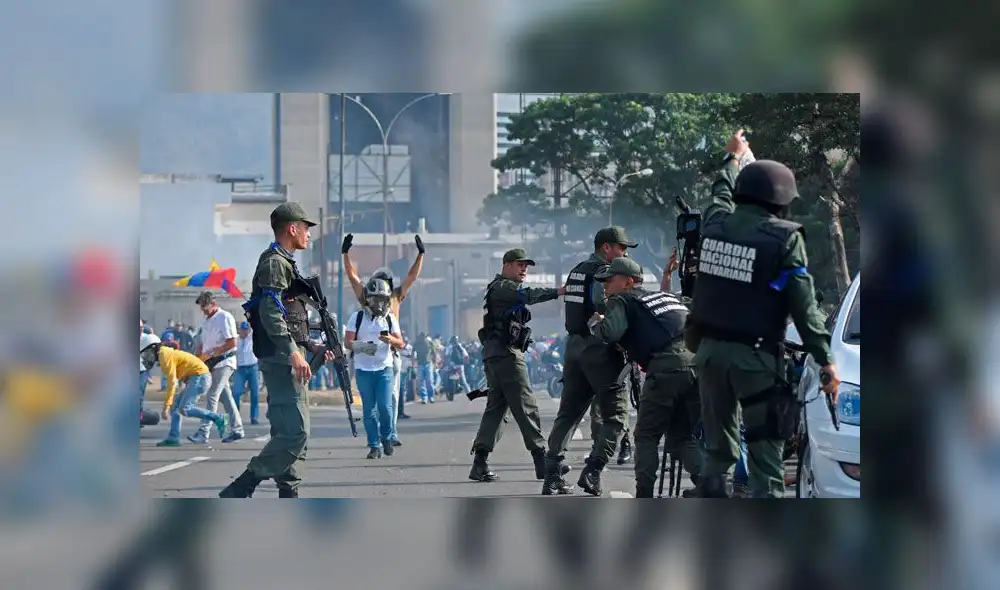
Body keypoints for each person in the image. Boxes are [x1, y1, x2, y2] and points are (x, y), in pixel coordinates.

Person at [687, 130, 839, 498]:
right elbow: (804, 308)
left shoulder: (714, 224)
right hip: (754, 361)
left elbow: (719, 193)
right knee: (765, 460)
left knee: (718, 450)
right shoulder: (785, 238)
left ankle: (709, 493)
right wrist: (826, 362)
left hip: (708, 356)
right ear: (782, 200)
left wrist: (733, 158)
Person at [219, 201, 334, 498]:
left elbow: (291, 315)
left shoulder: (286, 261)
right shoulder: (274, 262)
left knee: (291, 432)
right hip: (280, 356)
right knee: (296, 432)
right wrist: (293, 351)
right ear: (292, 228)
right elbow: (270, 309)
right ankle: (245, 483)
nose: (309, 234)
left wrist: (311, 347)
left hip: (288, 355)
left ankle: (288, 490)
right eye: (306, 227)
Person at [586, 257, 703, 497]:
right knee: (682, 436)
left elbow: (611, 332)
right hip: (698, 366)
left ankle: (644, 495)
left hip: (665, 368)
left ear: (628, 282)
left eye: (610, 280)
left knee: (646, 436)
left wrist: (596, 323)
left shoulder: (622, 300)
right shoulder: (666, 297)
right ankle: (710, 485)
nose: (606, 286)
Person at [541, 227, 634, 496]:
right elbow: (603, 309)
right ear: (606, 247)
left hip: (574, 347)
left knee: (568, 413)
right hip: (598, 346)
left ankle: (552, 474)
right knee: (616, 416)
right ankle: (593, 471)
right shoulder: (602, 273)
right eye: (621, 248)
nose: (624, 253)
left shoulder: (576, 271)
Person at [468, 248, 566, 482]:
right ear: (507, 265)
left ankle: (479, 463)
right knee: (526, 403)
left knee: (498, 409)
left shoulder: (500, 288)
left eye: (526, 266)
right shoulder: (503, 287)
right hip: (506, 355)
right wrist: (559, 291)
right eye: (520, 265)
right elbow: (528, 295)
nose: (524, 270)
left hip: (497, 354)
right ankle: (543, 461)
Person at [343, 233, 424, 442]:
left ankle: (390, 433)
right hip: (366, 355)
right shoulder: (366, 301)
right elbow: (352, 277)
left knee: (391, 397)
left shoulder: (396, 295)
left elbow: (412, 277)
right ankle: (377, 437)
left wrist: (420, 254)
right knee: (371, 401)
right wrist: (345, 253)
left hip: (391, 351)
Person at [344, 278, 405, 459]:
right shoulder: (357, 317)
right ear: (368, 299)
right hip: (363, 370)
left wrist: (390, 340)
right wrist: (363, 347)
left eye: (383, 299)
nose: (379, 303)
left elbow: (400, 343)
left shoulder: (389, 317)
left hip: (384, 368)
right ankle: (373, 445)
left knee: (385, 408)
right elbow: (348, 342)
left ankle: (386, 437)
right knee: (368, 410)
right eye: (375, 299)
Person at [140, 333, 227, 447]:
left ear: (153, 348)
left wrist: (166, 406)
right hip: (196, 378)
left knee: (185, 409)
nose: (147, 357)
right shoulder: (165, 353)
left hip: (199, 377)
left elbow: (172, 383)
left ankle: (218, 417)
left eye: (147, 353)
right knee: (176, 407)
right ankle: (173, 437)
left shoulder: (164, 355)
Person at [190, 291, 244, 444]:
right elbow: (202, 343)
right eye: (201, 308)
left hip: (224, 362)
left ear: (213, 304)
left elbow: (232, 342)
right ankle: (237, 429)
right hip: (211, 363)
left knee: (212, 395)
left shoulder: (224, 317)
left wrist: (213, 353)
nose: (203, 311)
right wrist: (198, 357)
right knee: (225, 397)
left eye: (205, 307)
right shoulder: (206, 320)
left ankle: (203, 432)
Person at [232, 320, 261, 425]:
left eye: (247, 329)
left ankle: (254, 417)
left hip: (252, 367)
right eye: (243, 329)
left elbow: (256, 327)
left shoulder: (251, 338)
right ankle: (235, 416)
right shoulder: (236, 340)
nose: (245, 332)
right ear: (239, 330)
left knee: (255, 394)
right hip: (240, 369)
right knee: (236, 393)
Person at [413, 332, 437, 403]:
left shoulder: (430, 343)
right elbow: (413, 353)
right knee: (421, 382)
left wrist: (435, 362)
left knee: (429, 381)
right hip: (420, 364)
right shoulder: (417, 343)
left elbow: (434, 352)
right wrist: (413, 363)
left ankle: (431, 397)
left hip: (428, 363)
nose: (423, 338)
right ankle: (424, 397)